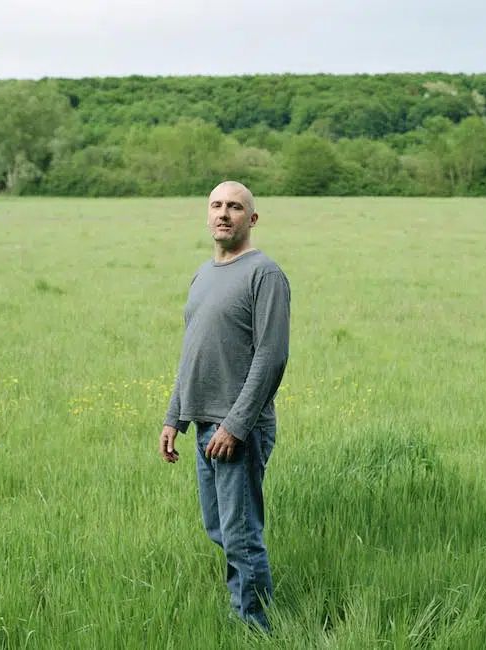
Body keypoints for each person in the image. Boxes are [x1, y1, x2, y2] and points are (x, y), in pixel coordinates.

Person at [159, 180, 290, 631]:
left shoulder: (264, 274)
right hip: (202, 424)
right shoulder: (203, 274)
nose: (224, 213)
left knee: (241, 535)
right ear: (207, 214)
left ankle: (256, 628)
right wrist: (174, 416)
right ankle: (246, 612)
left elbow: (271, 358)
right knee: (220, 530)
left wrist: (235, 426)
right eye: (216, 205)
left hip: (237, 428)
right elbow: (191, 352)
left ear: (251, 219)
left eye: (235, 207)